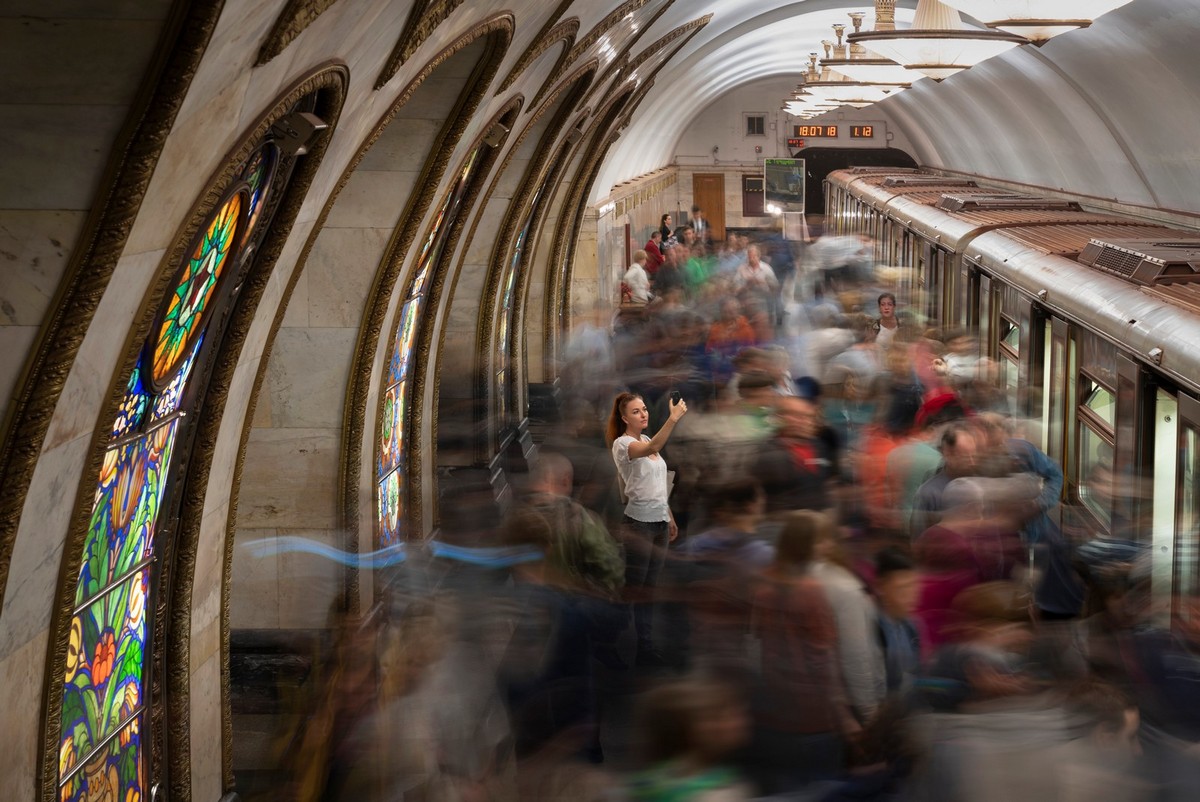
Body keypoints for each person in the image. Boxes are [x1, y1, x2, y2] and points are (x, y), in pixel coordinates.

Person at [607, 391, 688, 664]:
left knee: (649, 588)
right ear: (623, 417)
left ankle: (645, 645)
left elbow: (658, 484)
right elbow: (653, 448)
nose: (643, 414)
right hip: (638, 524)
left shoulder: (644, 439)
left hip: (659, 523)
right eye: (636, 411)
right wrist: (673, 419)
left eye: (644, 409)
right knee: (634, 588)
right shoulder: (623, 444)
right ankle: (608, 640)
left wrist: (670, 515)